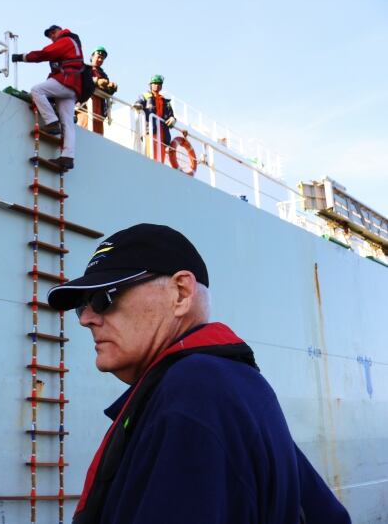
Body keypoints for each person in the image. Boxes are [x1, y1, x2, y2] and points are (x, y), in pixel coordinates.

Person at [46, 223, 352, 524]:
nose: (86, 319)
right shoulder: (231, 385)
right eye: (82, 307)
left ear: (181, 293)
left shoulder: (196, 390)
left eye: (103, 299)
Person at [11, 25, 85, 170]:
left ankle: (52, 123)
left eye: (53, 32)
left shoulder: (66, 40)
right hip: (74, 87)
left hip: (67, 80)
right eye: (49, 35)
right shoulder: (72, 43)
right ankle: (67, 158)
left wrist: (22, 57)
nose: (52, 36)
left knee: (36, 90)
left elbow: (44, 54)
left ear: (60, 30)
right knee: (68, 124)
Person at [134, 74, 176, 163]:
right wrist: (138, 106)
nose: (157, 85)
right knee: (150, 153)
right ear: (151, 85)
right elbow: (138, 103)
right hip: (150, 130)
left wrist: (173, 119)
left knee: (161, 156)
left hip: (163, 132)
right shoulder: (145, 96)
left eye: (159, 83)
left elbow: (171, 115)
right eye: (155, 83)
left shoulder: (165, 101)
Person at [77, 46, 117, 135]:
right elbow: (81, 80)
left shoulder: (103, 74)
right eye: (98, 57)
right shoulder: (84, 68)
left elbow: (107, 91)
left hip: (99, 109)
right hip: (85, 107)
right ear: (92, 56)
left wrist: (111, 88)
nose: (100, 60)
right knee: (84, 130)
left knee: (98, 134)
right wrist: (96, 81)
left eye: (102, 58)